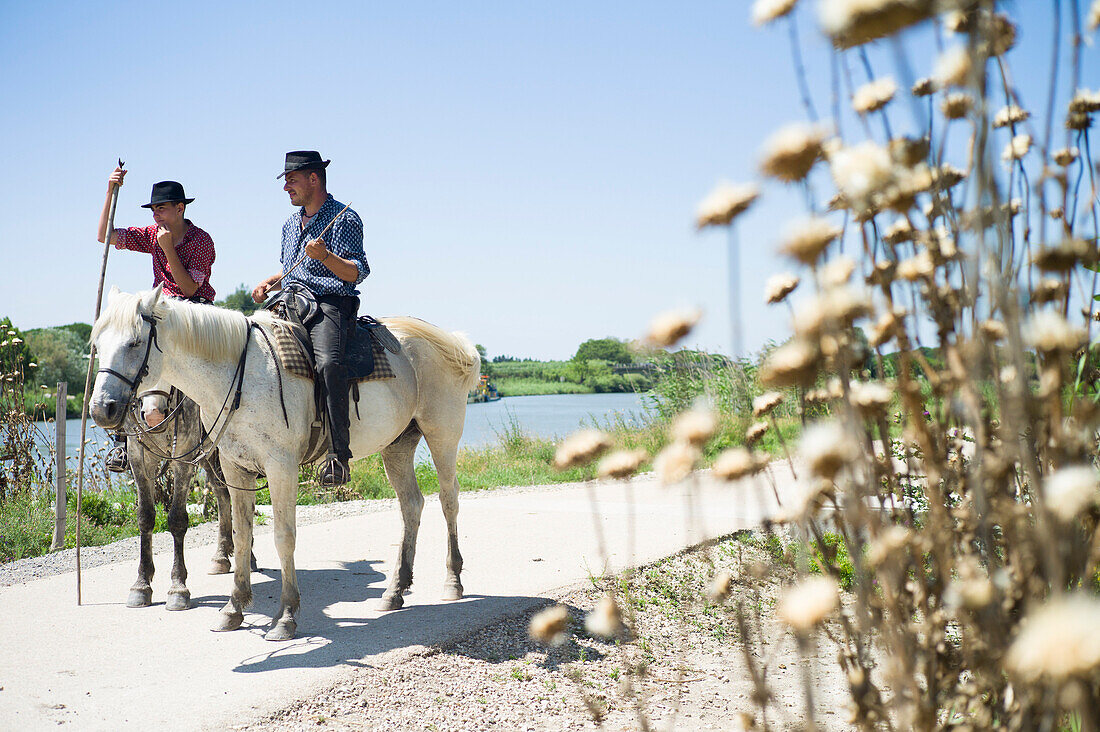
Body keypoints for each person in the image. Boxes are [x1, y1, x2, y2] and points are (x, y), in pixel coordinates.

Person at [252, 151, 368, 487]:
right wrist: (270, 283)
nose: (286, 186)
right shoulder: (289, 225)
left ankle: (338, 455)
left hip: (329, 304)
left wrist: (327, 256)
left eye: (291, 179)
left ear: (313, 179)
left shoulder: (344, 218)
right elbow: (292, 270)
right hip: (288, 301)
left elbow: (355, 272)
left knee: (329, 364)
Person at [96, 167, 217, 472]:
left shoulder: (201, 241)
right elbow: (104, 236)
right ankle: (122, 441)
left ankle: (214, 434)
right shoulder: (151, 235)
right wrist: (110, 191)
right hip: (162, 311)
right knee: (131, 348)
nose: (156, 217)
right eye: (153, 211)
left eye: (161, 209)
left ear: (180, 208)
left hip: (194, 311)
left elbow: (190, 288)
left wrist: (166, 249)